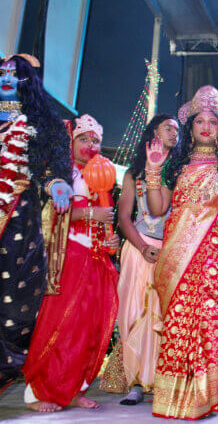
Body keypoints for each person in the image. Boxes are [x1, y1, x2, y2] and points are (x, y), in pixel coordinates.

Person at [146, 86, 218, 419]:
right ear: (190, 126)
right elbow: (156, 208)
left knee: (209, 323)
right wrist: (152, 170)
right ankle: (170, 399)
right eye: (200, 121)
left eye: (213, 122)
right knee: (178, 323)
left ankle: (203, 400)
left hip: (215, 259)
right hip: (178, 254)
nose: (206, 127)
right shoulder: (174, 166)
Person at [23, 114, 120, 412]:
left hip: (96, 259)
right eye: (84, 139)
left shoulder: (101, 175)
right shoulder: (61, 175)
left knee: (88, 329)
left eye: (96, 141)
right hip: (68, 257)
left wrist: (110, 241)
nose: (90, 145)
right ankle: (38, 392)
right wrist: (91, 216)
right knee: (60, 324)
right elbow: (51, 215)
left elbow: (105, 220)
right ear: (71, 142)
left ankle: (75, 389)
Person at [0, 54, 73, 392]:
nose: (6, 78)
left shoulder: (43, 122)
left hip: (18, 220)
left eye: (14, 74)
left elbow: (52, 166)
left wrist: (56, 182)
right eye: (1, 73)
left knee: (14, 298)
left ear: (28, 80)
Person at [114, 114, 179, 405]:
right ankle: (135, 381)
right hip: (137, 249)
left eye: (177, 130)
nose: (174, 133)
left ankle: (159, 380)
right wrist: (142, 247)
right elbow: (124, 218)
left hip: (170, 251)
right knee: (132, 313)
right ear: (154, 131)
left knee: (162, 316)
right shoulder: (134, 174)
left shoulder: (180, 173)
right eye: (168, 128)